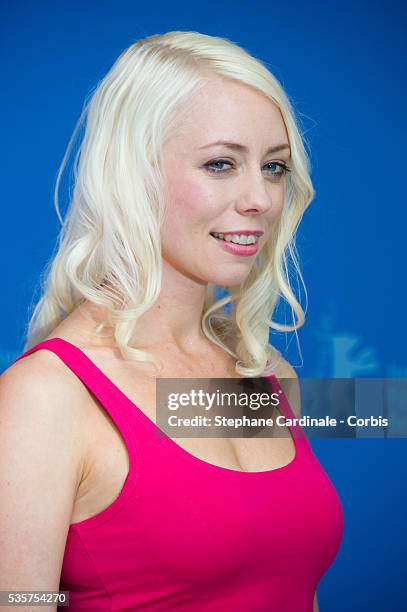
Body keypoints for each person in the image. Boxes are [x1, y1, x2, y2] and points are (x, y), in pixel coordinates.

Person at [0, 30, 343, 611]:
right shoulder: (48, 399)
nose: (260, 197)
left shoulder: (265, 377)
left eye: (275, 167)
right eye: (220, 163)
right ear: (132, 175)